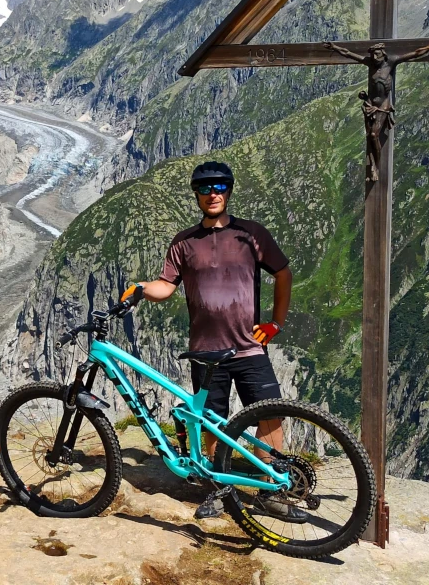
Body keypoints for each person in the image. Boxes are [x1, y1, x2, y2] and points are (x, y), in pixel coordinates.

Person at [120, 161, 307, 522]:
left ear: (230, 190)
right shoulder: (183, 243)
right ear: (196, 195)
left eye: (220, 187)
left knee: (269, 413)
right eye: (205, 188)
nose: (213, 194)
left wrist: (275, 324)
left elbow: (283, 273)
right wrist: (141, 289)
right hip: (206, 351)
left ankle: (273, 488)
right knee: (211, 420)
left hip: (250, 345)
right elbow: (166, 286)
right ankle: (220, 491)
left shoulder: (252, 234)